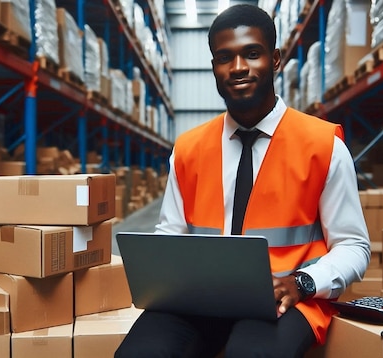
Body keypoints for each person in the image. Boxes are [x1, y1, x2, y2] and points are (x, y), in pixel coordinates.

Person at [115, 4, 370, 358]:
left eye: (252, 54)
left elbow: (354, 246)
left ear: (276, 59)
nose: (238, 68)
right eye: (225, 57)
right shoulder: (188, 149)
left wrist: (303, 282)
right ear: (214, 68)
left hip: (287, 300)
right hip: (200, 298)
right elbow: (171, 237)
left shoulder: (323, 145)